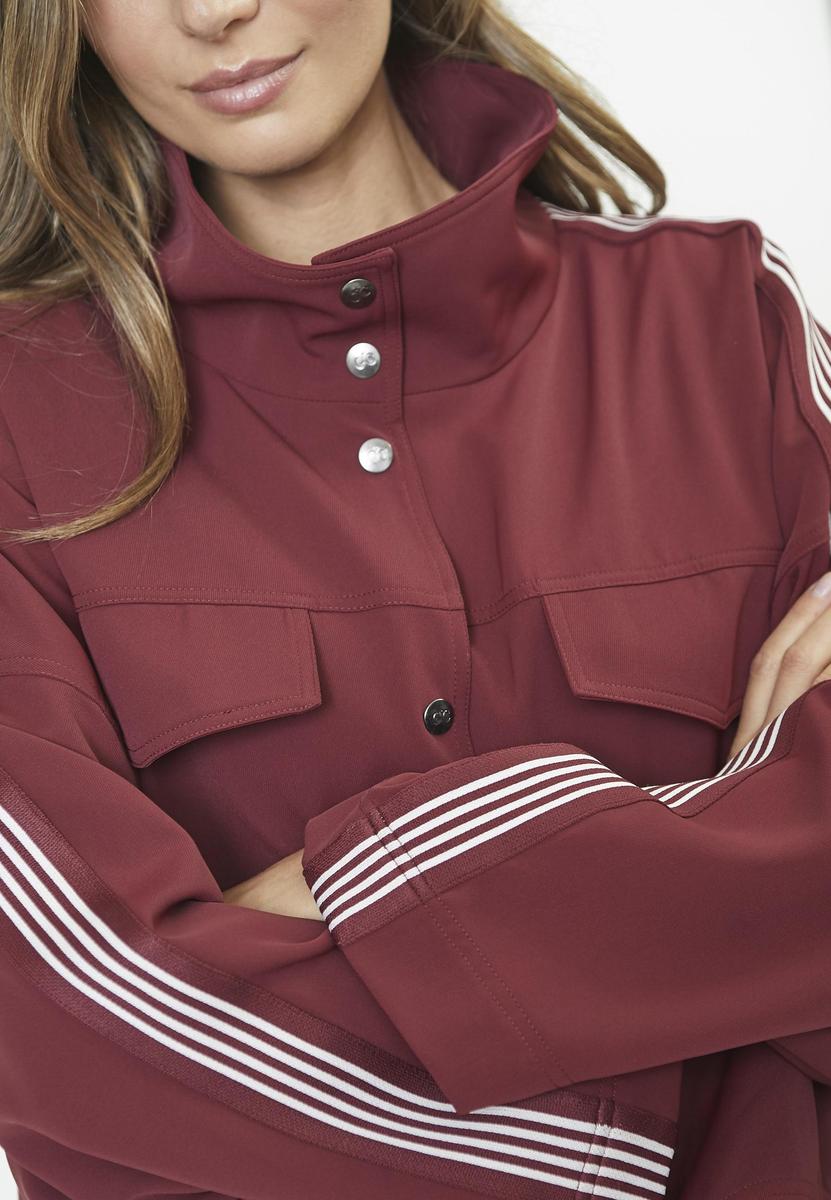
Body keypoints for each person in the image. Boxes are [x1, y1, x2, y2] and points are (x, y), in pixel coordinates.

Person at [0, 1, 830, 1198]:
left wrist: (381, 872)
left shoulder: (728, 321)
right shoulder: (22, 414)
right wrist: (709, 1052)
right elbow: (55, 1020)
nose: (213, 12)